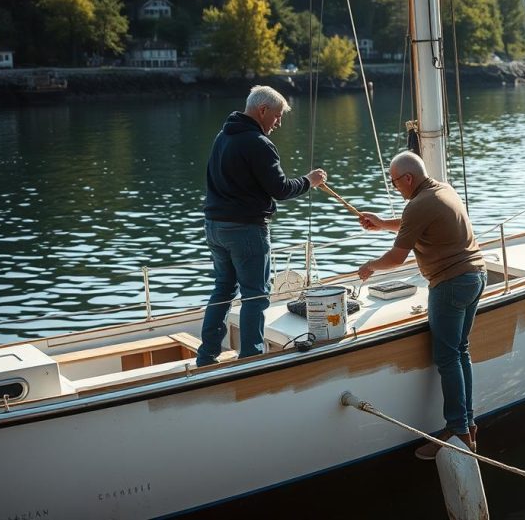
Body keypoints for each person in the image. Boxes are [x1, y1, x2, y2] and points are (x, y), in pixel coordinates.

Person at [357, 151, 486, 459]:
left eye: (394, 182)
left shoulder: (419, 203)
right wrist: (380, 224)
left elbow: (396, 257)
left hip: (450, 283)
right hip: (474, 277)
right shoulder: (442, 189)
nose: (394, 187)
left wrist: (370, 266)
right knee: (460, 350)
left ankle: (458, 431)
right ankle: (468, 425)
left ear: (408, 179)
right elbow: (411, 221)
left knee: (447, 356)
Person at [198, 85, 327, 366]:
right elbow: (280, 189)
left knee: (222, 289)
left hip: (214, 227)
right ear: (263, 110)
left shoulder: (222, 137)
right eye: (278, 116)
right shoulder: (258, 142)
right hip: (245, 230)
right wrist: (309, 181)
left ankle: (206, 355)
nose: (278, 122)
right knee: (255, 295)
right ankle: (252, 359)